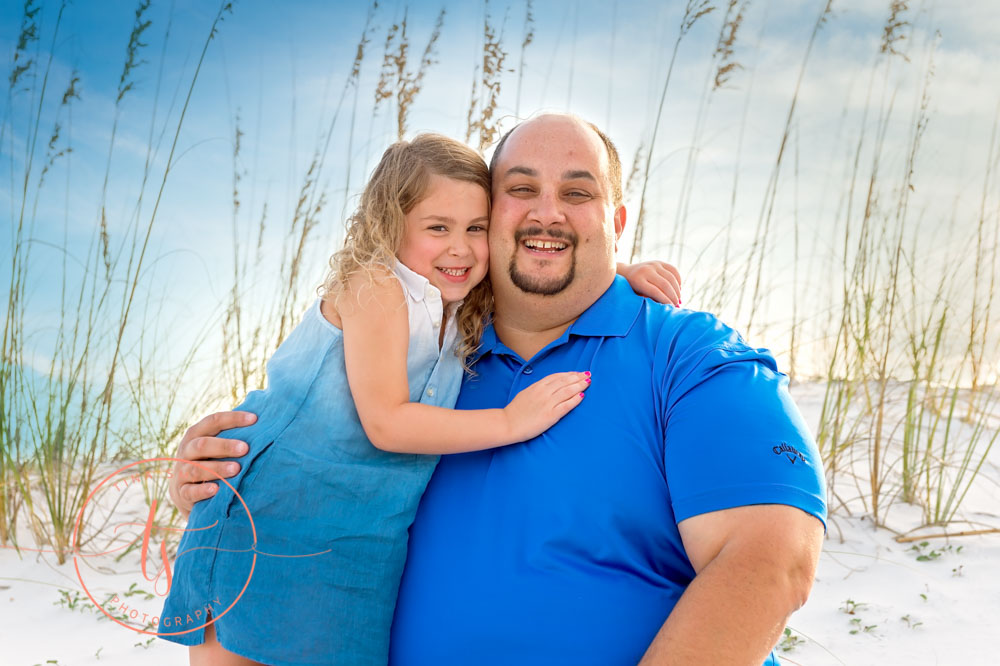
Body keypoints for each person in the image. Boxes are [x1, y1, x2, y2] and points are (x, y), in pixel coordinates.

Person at [171, 114, 822, 666]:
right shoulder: (435, 350)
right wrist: (223, 469)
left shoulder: (692, 355)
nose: (546, 211)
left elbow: (770, 562)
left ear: (616, 218)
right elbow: (324, 443)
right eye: (520, 189)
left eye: (577, 193)